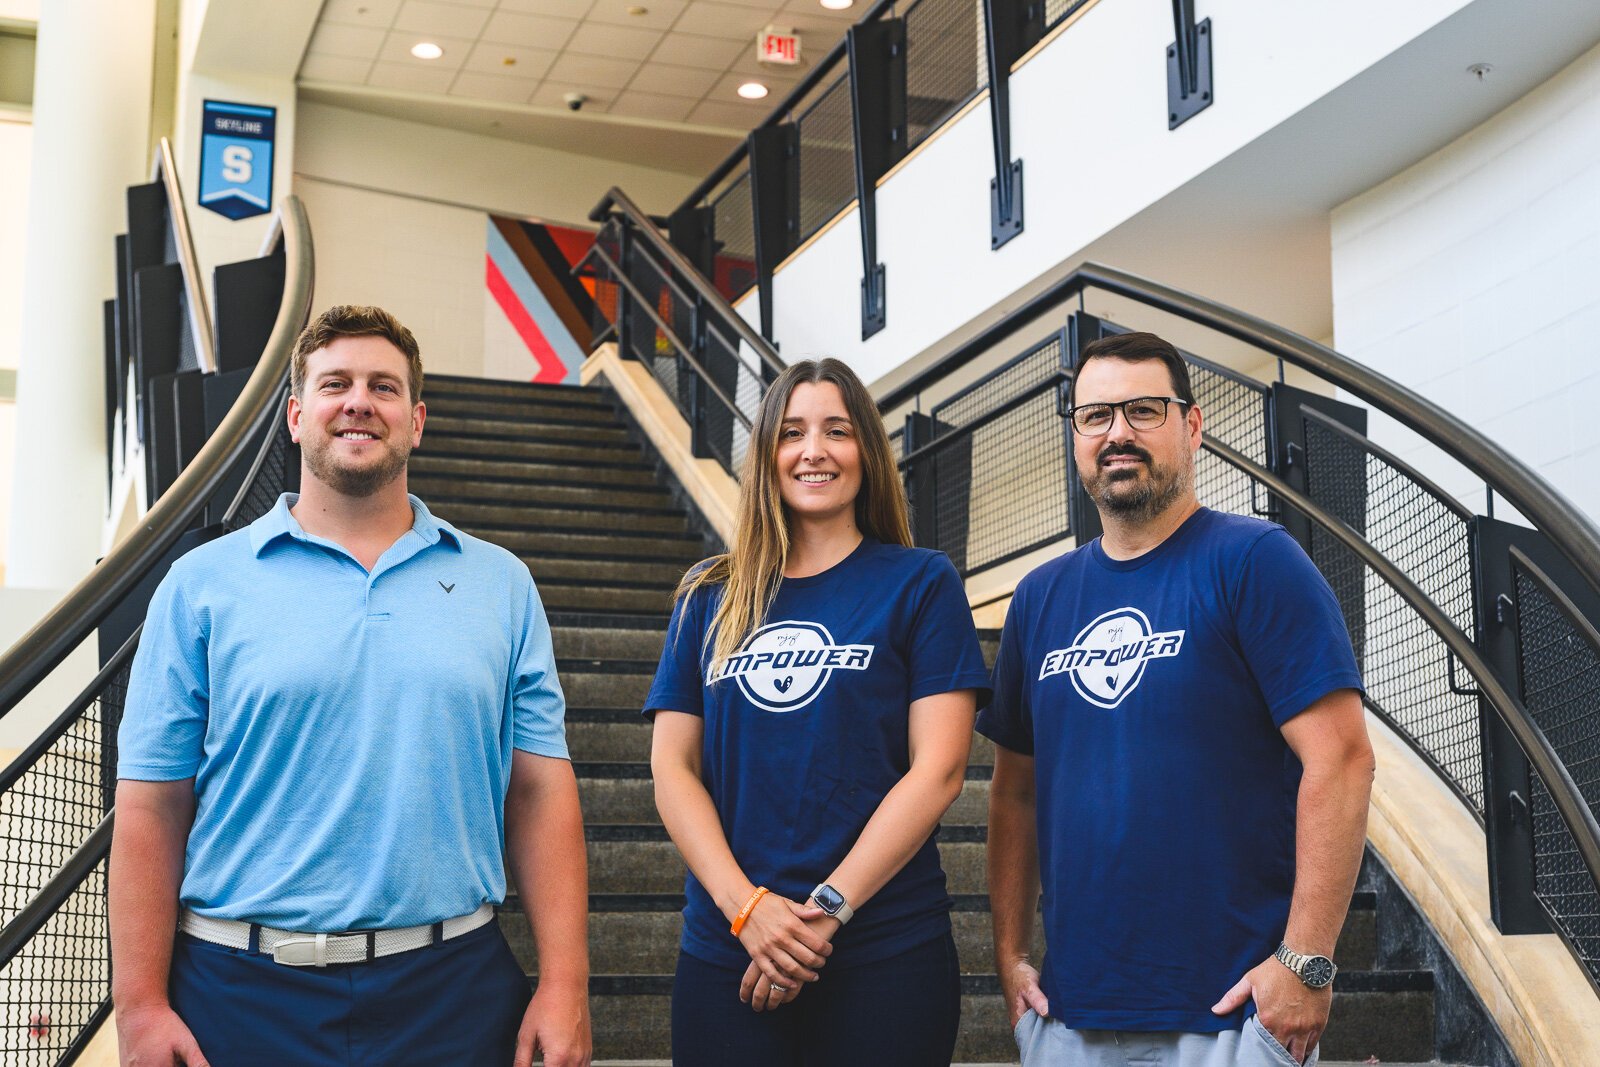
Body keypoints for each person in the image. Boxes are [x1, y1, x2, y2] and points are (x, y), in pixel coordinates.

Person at [108, 305, 592, 1067]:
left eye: (384, 386)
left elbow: (539, 790)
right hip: (239, 994)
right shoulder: (200, 584)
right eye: (335, 383)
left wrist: (566, 983)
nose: (359, 401)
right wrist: (139, 1004)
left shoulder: (501, 583)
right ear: (297, 415)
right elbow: (150, 804)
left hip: (452, 991)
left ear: (417, 420)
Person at [980, 331, 1375, 1066]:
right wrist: (1009, 957)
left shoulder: (1256, 561)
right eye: (1095, 415)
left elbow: (1344, 759)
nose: (1117, 432)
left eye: (1143, 409)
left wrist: (1308, 961)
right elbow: (1015, 794)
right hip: (1069, 1020)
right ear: (1075, 435)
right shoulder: (1039, 599)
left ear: (1191, 427)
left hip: (1230, 1017)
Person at [645, 358, 992, 1066]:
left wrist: (825, 910)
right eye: (793, 432)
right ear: (767, 452)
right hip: (728, 952)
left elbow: (940, 768)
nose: (813, 450)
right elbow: (672, 768)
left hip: (886, 950)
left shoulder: (922, 582)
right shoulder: (708, 595)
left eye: (836, 430)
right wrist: (748, 909)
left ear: (865, 449)